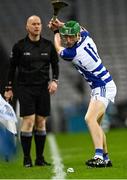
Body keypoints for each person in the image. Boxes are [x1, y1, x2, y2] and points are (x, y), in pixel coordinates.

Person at [48, 19, 117, 168]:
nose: (69, 39)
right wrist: (61, 26)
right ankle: (105, 158)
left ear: (77, 35)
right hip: (102, 85)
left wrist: (55, 31)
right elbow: (81, 28)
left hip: (103, 85)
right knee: (96, 124)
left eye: (72, 36)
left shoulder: (72, 53)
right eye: (67, 36)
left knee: (89, 119)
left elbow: (58, 47)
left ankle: (98, 156)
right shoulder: (86, 36)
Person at [4, 15, 59, 167]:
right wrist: (8, 88)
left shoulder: (48, 45)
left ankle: (40, 158)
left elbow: (55, 65)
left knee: (41, 122)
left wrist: (55, 80)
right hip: (25, 88)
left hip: (43, 88)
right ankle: (27, 158)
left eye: (39, 24)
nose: (37, 26)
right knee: (29, 120)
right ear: (27, 27)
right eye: (33, 24)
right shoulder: (19, 46)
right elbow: (12, 68)